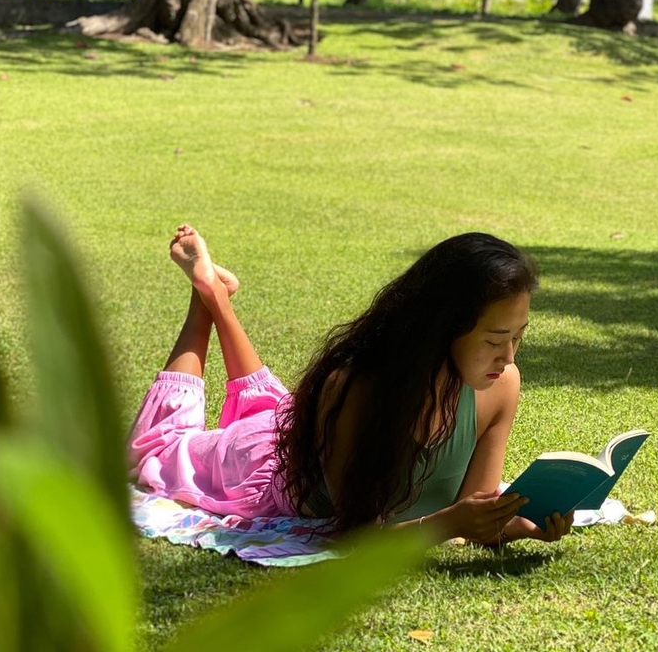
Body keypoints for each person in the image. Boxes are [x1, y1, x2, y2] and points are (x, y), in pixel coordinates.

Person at [128, 225, 573, 547]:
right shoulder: (357, 389)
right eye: (495, 340)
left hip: (303, 434)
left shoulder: (501, 385)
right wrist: (449, 526)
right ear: (443, 328)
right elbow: (354, 537)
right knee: (156, 451)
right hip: (263, 469)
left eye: (519, 337)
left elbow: (474, 508)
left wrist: (517, 524)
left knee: (267, 405)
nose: (509, 356)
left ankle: (215, 293)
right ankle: (204, 297)